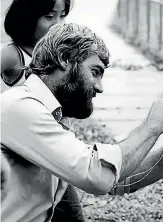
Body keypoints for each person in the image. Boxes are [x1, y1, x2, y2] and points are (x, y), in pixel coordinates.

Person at [1, 23, 163, 221]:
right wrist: (152, 126)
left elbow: (118, 180)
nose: (100, 87)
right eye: (95, 71)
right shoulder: (20, 107)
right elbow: (97, 176)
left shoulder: (47, 114)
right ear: (64, 58)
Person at [0, 0, 87, 221]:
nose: (57, 24)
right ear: (28, 17)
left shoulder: (58, 54)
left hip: (53, 152)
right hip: (20, 158)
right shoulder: (13, 55)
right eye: (49, 16)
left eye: (62, 15)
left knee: (72, 215)